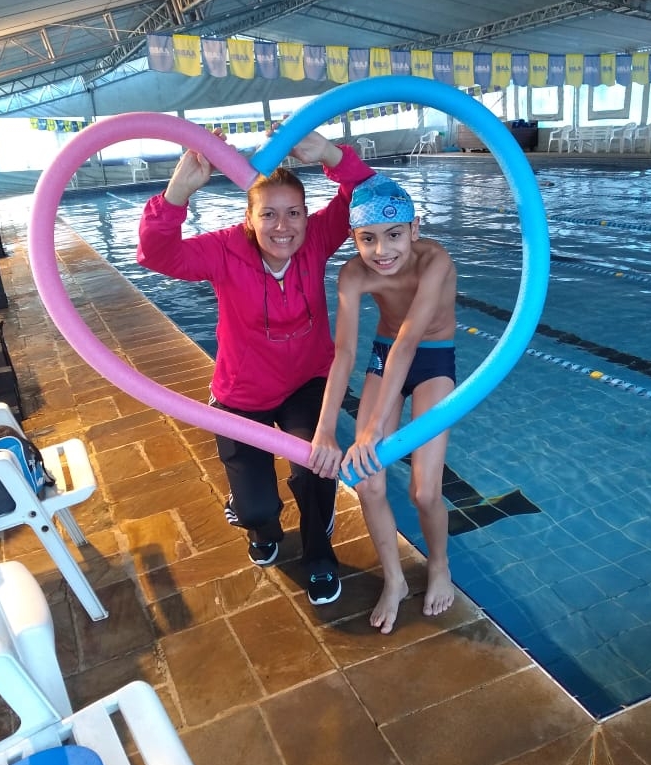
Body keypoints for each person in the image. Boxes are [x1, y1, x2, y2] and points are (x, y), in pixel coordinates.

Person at [136, 129, 374, 605]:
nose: (283, 226)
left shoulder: (316, 239)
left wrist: (330, 154)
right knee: (256, 509)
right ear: (249, 218)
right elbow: (156, 255)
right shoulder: (225, 250)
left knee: (315, 469)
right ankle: (258, 522)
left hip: (306, 383)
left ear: (306, 215)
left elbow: (368, 197)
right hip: (241, 393)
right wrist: (178, 192)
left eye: (293, 213)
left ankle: (319, 555)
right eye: (268, 214)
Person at [309, 173, 458, 633]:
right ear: (354, 239)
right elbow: (344, 353)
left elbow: (410, 340)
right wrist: (325, 428)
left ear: (414, 229)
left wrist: (372, 426)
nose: (382, 251)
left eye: (394, 235)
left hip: (432, 358)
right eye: (367, 239)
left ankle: (439, 565)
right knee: (368, 482)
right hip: (383, 353)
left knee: (424, 492)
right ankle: (394, 580)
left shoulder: (434, 260)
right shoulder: (353, 274)